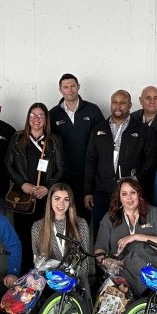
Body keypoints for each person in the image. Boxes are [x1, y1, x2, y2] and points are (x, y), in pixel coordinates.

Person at [84, 90, 157, 232]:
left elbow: (152, 158)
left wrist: (139, 178)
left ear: (130, 105)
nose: (118, 106)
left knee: (129, 232)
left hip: (131, 194)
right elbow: (90, 161)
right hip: (103, 192)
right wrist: (88, 190)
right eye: (114, 102)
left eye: (122, 102)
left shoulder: (143, 130)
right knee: (101, 231)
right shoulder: (98, 129)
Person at [6, 102, 65, 271]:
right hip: (23, 198)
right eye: (33, 115)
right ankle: (26, 275)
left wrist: (47, 188)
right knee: (23, 237)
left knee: (45, 238)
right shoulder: (18, 138)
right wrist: (22, 184)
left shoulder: (54, 140)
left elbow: (61, 168)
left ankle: (44, 275)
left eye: (41, 115)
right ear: (28, 118)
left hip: (45, 199)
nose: (36, 119)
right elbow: (8, 164)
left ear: (46, 120)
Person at [93, 177, 157, 296]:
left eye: (133, 192)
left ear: (139, 194)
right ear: (119, 197)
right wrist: (106, 260)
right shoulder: (109, 218)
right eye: (124, 194)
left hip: (152, 276)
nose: (129, 198)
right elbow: (99, 249)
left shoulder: (154, 213)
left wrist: (135, 237)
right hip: (121, 277)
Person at [49, 73, 104, 219]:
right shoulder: (53, 114)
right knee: (64, 215)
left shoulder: (93, 110)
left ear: (78, 87)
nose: (70, 90)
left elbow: (102, 140)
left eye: (73, 86)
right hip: (63, 174)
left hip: (89, 174)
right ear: (60, 90)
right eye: (66, 87)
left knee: (85, 214)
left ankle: (84, 236)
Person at [31, 182, 93, 276]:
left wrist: (74, 281)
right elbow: (38, 262)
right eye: (57, 199)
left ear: (70, 202)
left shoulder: (81, 224)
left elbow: (85, 261)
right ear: (50, 200)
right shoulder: (37, 226)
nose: (61, 204)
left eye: (66, 199)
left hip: (75, 280)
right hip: (49, 280)